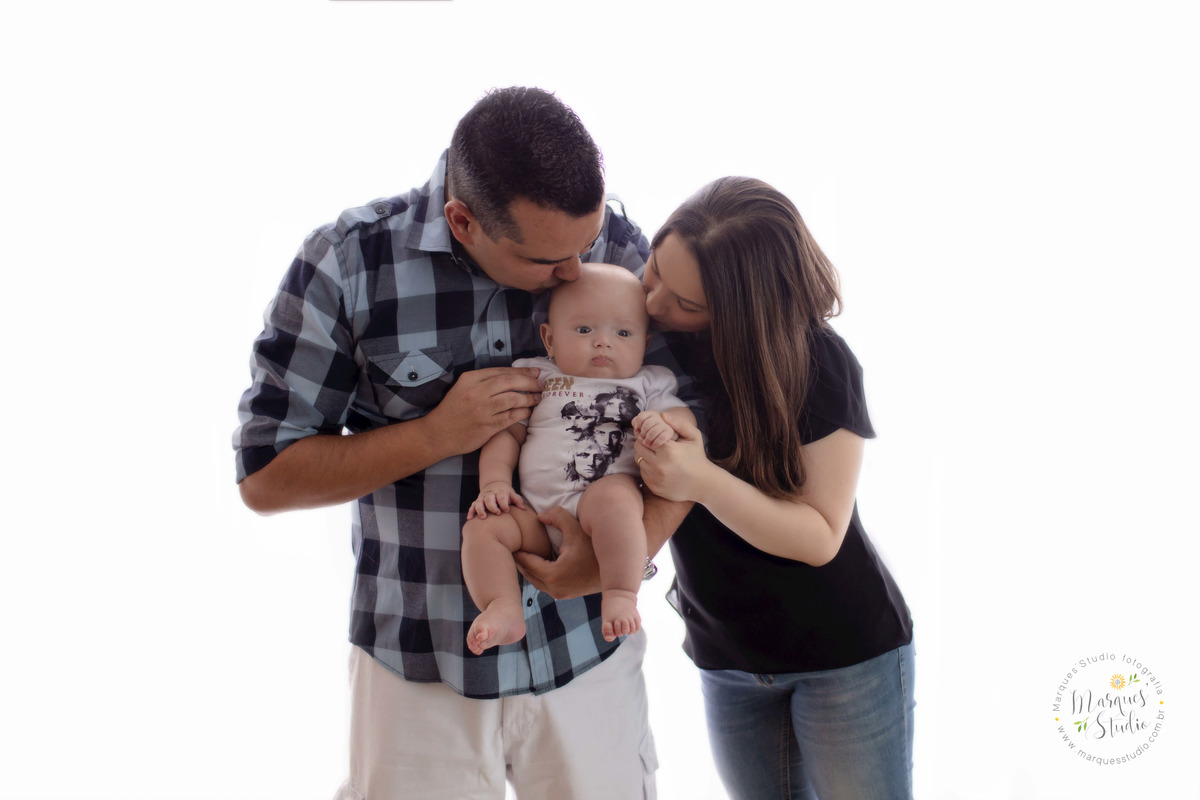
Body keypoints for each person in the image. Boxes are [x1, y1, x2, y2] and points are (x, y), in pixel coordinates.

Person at [233, 87, 688, 800]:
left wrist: (613, 563)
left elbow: (701, 440)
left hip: (586, 655)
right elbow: (266, 476)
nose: (578, 272)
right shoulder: (348, 267)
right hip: (420, 660)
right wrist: (435, 435)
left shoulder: (621, 251)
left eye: (586, 244)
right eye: (549, 261)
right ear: (463, 221)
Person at [525, 176, 916, 799]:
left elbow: (820, 536)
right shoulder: (656, 343)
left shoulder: (820, 365)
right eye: (653, 269)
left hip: (844, 657)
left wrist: (701, 480)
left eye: (684, 302)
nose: (651, 306)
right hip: (727, 656)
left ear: (742, 310)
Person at [462, 263, 692, 653]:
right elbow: (506, 435)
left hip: (598, 509)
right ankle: (502, 606)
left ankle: (620, 592)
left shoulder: (649, 382)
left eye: (623, 333)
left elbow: (685, 421)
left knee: (616, 498)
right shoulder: (538, 377)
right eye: (584, 330)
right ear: (549, 340)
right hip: (534, 516)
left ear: (645, 341)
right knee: (483, 528)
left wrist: (666, 423)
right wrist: (494, 484)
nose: (603, 343)